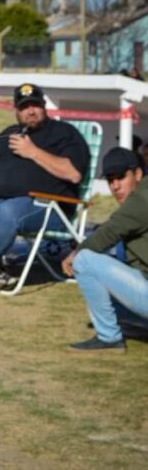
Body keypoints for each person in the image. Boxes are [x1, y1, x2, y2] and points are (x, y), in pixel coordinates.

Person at [0, 83, 90, 293]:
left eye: (35, 105)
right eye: (24, 107)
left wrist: (32, 152)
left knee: (8, 212)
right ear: (16, 110)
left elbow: (73, 173)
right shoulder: (9, 134)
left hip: (47, 207)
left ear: (44, 106)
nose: (30, 111)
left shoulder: (64, 133)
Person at [62, 147, 148, 352]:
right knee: (113, 255)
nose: (115, 186)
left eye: (121, 177)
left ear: (137, 173)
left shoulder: (142, 198)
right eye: (110, 180)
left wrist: (75, 253)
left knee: (85, 260)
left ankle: (109, 337)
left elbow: (110, 231)